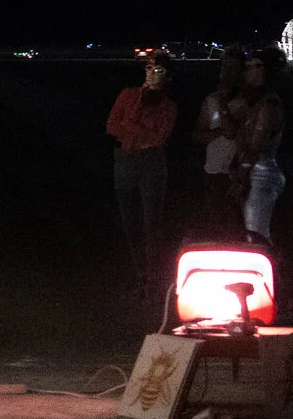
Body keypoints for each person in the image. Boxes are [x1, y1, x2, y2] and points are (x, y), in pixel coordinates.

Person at [106, 52, 179, 293]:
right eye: (149, 69)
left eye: (158, 71)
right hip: (126, 161)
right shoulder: (129, 95)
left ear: (167, 76)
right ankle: (140, 274)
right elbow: (111, 126)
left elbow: (158, 138)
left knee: (151, 223)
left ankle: (153, 277)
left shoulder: (168, 106)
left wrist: (129, 127)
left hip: (151, 164)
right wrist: (137, 128)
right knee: (130, 222)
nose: (151, 74)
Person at [189, 49, 247, 233]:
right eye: (224, 67)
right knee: (216, 226)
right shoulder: (211, 100)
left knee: (237, 225)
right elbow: (197, 135)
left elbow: (231, 132)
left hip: (236, 173)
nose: (226, 72)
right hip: (213, 171)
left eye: (232, 67)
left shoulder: (246, 102)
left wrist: (222, 105)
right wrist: (219, 131)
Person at [235, 48, 288, 243]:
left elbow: (256, 144)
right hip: (255, 171)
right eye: (247, 66)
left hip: (261, 173)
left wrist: (242, 173)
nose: (249, 71)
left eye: (255, 66)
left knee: (256, 232)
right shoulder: (256, 102)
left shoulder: (268, 105)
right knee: (251, 231)